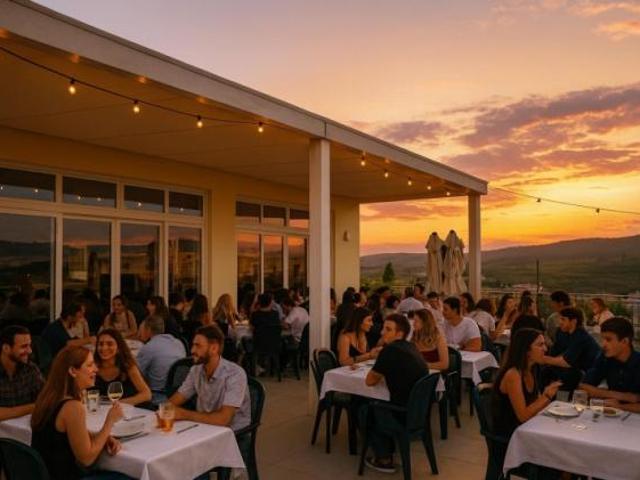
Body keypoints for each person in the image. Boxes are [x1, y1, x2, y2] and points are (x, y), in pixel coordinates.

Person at [31, 345, 129, 480]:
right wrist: (109, 422)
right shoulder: (72, 407)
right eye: (89, 365)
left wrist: (103, 437)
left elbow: (65, 436)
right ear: (72, 371)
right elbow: (86, 459)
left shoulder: (47, 399)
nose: (96, 369)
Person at [363, 314, 429, 473]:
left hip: (402, 414)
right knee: (378, 404)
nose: (382, 332)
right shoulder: (412, 347)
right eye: (383, 328)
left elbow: (370, 381)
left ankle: (384, 458)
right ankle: (387, 446)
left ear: (399, 334)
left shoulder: (390, 350)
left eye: (388, 329)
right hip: (419, 413)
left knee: (363, 408)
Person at [170, 325, 251, 432]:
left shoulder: (235, 374)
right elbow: (176, 399)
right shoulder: (196, 370)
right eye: (193, 345)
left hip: (232, 434)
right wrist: (164, 410)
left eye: (198, 346)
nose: (192, 350)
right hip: (204, 427)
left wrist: (183, 414)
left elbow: (223, 420)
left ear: (214, 348)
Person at [492, 328, 561, 437]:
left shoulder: (532, 369)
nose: (545, 349)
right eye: (540, 345)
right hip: (512, 435)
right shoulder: (513, 374)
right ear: (526, 350)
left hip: (528, 427)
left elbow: (535, 404)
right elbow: (523, 416)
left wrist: (547, 398)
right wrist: (547, 396)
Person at [580, 317, 640, 412]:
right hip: (610, 414)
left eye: (608, 340)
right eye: (602, 339)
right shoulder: (605, 358)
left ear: (625, 341)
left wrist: (620, 406)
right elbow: (584, 388)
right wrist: (625, 396)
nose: (603, 344)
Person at [542, 307, 599, 390]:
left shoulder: (581, 336)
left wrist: (542, 358)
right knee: (545, 371)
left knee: (568, 375)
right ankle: (543, 395)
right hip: (574, 367)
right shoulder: (561, 332)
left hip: (589, 370)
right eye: (560, 319)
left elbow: (566, 362)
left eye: (563, 319)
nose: (560, 322)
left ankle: (563, 397)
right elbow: (554, 352)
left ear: (573, 321)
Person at [137, 315, 186, 406]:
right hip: (179, 397)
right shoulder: (179, 343)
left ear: (148, 329)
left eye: (141, 328)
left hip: (157, 398)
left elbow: (137, 374)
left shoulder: (149, 347)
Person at [94, 328, 151, 405]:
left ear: (118, 348)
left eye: (109, 344)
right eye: (100, 344)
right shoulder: (93, 368)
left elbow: (147, 394)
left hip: (131, 410)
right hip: (101, 410)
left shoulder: (128, 367)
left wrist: (119, 404)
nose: (104, 348)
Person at [0, 325, 44, 420]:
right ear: (6, 348)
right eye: (24, 346)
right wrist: (33, 407)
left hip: (25, 427)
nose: (30, 351)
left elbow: (45, 400)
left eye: (29, 345)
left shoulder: (30, 369)